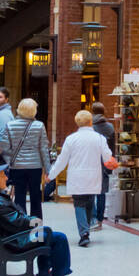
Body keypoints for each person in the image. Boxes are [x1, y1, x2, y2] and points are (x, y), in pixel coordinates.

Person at [0, 169, 78, 276]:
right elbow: (18, 223)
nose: (6, 178)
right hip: (15, 242)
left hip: (7, 238)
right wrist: (32, 219)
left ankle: (44, 275)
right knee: (58, 238)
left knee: (45, 234)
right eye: (1, 175)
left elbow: (12, 220)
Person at [48, 110, 115, 247]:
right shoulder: (99, 138)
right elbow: (107, 157)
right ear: (91, 121)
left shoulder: (71, 139)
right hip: (93, 176)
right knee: (90, 202)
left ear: (77, 123)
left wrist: (51, 175)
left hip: (77, 177)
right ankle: (86, 229)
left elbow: (62, 160)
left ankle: (84, 233)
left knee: (79, 203)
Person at [0, 98, 51, 220]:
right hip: (35, 167)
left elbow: (4, 147)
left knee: (19, 198)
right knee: (36, 198)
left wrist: (11, 160)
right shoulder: (39, 126)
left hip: (17, 167)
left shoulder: (10, 125)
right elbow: (43, 149)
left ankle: (22, 230)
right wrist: (48, 169)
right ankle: (37, 234)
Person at [91, 101, 115, 230]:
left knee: (90, 192)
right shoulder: (110, 127)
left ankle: (93, 218)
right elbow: (113, 149)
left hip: (91, 163)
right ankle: (100, 220)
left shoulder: (90, 127)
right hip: (105, 163)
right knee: (102, 193)